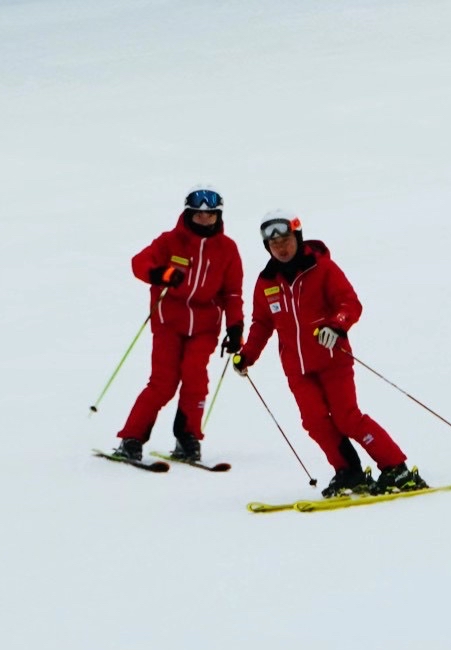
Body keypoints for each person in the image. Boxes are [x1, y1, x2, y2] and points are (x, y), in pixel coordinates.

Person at [232, 210, 427, 497]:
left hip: (333, 360)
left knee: (347, 417)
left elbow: (350, 303)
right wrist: (247, 355)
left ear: (297, 237)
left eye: (286, 240)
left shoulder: (323, 269)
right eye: (274, 244)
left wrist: (336, 326)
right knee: (315, 422)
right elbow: (262, 324)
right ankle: (349, 473)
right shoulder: (266, 281)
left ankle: (396, 468)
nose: (281, 248)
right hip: (297, 368)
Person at [113, 185, 244, 461]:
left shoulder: (227, 249)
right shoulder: (170, 241)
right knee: (163, 382)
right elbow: (139, 263)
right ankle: (131, 438)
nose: (205, 220)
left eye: (211, 215)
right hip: (169, 323)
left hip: (205, 327)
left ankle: (188, 438)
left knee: (196, 378)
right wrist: (160, 274)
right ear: (188, 214)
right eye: (199, 215)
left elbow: (232, 293)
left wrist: (235, 327)